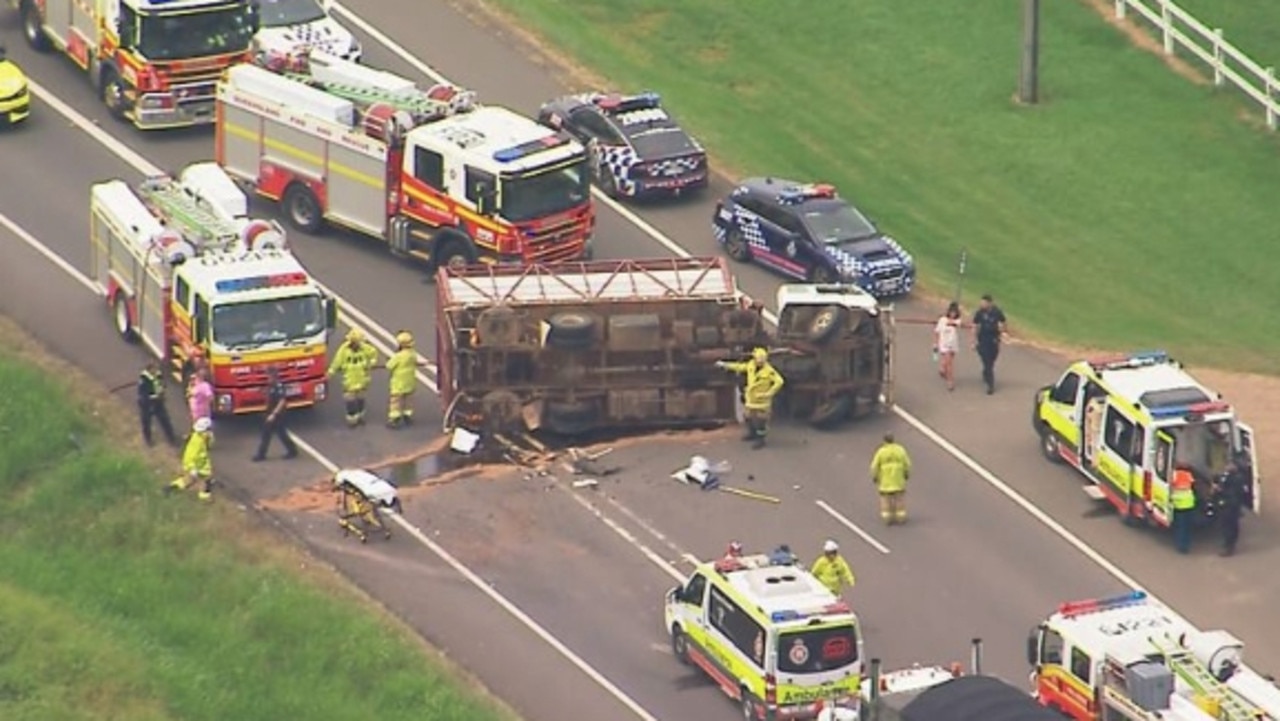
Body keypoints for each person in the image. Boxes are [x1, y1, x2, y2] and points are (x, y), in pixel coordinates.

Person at [715, 347, 785, 449]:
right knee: (749, 418)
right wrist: (725, 365)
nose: (759, 363)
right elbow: (739, 367)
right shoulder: (751, 365)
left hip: (762, 401)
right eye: (758, 361)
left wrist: (769, 393)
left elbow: (779, 381)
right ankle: (752, 433)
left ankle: (760, 439)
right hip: (751, 399)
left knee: (761, 421)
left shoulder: (769, 371)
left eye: (762, 361)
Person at [328, 328, 379, 427]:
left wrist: (371, 363)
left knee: (360, 399)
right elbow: (337, 361)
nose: (356, 344)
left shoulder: (365, 348)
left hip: (362, 379)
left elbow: (373, 354)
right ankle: (352, 419)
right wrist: (330, 372)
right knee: (350, 400)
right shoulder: (343, 350)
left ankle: (360, 416)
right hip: (349, 380)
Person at [252, 366, 299, 461]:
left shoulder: (279, 386)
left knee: (281, 433)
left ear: (274, 376)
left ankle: (292, 450)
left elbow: (282, 401)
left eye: (268, 376)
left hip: (278, 415)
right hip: (270, 413)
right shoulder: (271, 386)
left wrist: (274, 414)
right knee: (267, 434)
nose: (267, 378)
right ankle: (261, 454)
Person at [386, 330, 428, 429]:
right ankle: (407, 415)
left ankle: (394, 419)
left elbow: (389, 366)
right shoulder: (412, 354)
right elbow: (416, 362)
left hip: (398, 383)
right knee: (408, 400)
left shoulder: (398, 356)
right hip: (409, 382)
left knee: (396, 401)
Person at [168, 417, 215, 501]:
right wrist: (192, 468)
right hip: (196, 464)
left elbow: (209, 445)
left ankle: (172, 488)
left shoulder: (201, 436)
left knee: (192, 480)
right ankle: (204, 496)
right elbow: (191, 455)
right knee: (202, 479)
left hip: (199, 463)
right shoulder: (197, 441)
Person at [870, 433, 911, 525]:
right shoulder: (900, 450)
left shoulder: (881, 452)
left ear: (884, 441)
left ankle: (887, 518)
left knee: (886, 500)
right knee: (899, 499)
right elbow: (907, 464)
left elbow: (874, 466)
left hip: (885, 482)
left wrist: (875, 477)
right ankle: (900, 517)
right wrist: (906, 474)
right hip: (898, 481)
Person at [971, 294, 1008, 395]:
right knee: (987, 361)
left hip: (994, 339)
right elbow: (975, 325)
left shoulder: (997, 312)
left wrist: (1003, 331)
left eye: (984, 302)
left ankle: (986, 371)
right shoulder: (979, 313)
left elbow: (1004, 321)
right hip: (983, 339)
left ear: (989, 303)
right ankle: (990, 385)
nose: (981, 304)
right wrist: (974, 341)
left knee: (992, 359)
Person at [137, 360, 178, 447]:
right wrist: (155, 396)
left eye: (156, 368)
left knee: (165, 420)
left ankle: (172, 438)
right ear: (149, 369)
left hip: (158, 402)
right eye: (154, 369)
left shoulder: (158, 374)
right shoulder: (143, 379)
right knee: (146, 422)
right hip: (147, 405)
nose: (156, 371)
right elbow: (144, 396)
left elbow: (162, 383)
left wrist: (163, 389)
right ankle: (148, 439)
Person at [1216, 454, 1250, 557]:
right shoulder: (1230, 475)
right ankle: (1228, 544)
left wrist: (1220, 490)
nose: (1226, 466)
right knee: (1228, 525)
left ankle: (1228, 547)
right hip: (1228, 504)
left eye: (1229, 464)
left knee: (1229, 526)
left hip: (1231, 505)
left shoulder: (1237, 478)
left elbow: (1233, 493)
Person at [933, 302, 962, 391]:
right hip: (944, 344)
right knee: (950, 363)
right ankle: (950, 381)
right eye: (951, 312)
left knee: (948, 361)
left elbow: (955, 323)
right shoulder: (942, 320)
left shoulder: (958, 321)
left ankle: (943, 368)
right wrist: (935, 343)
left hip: (953, 344)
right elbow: (937, 332)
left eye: (954, 313)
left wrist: (950, 322)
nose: (953, 314)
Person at [1170, 462, 1197, 554]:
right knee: (1187, 527)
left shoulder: (1174, 475)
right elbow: (1192, 485)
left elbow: (1170, 485)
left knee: (1180, 527)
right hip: (1189, 504)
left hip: (1179, 504)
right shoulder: (1188, 475)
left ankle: (1181, 546)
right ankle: (1186, 545)